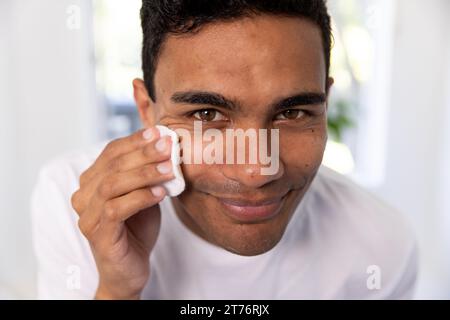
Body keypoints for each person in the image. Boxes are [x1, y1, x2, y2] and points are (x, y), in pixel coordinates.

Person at [31, 0, 417, 299]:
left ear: (326, 105)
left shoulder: (382, 244)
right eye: (207, 113)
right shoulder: (74, 201)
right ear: (147, 111)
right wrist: (117, 289)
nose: (256, 171)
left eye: (292, 112)